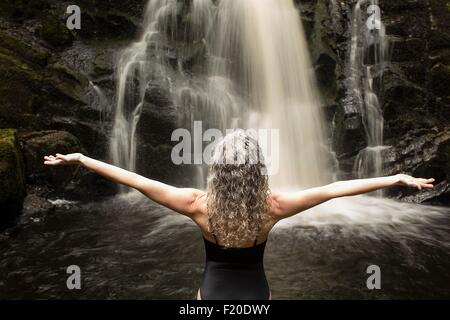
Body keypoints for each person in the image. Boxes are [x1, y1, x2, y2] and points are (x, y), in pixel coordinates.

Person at [44, 130, 435, 300]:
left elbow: (134, 178)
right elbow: (335, 189)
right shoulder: (273, 208)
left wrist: (81, 158)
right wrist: (396, 176)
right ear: (257, 172)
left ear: (217, 171)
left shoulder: (198, 206)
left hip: (209, 295)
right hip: (257, 295)